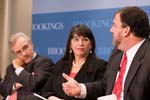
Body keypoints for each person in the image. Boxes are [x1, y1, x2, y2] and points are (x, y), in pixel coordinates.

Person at [62, 6, 150, 100]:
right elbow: (106, 85)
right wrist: (81, 89)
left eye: (114, 25)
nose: (111, 30)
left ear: (126, 31)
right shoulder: (117, 53)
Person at [27, 24, 107, 100]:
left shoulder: (100, 66)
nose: (80, 43)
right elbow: (46, 91)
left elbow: (100, 92)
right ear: (70, 44)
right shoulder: (60, 64)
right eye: (76, 39)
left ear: (91, 45)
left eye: (85, 40)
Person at [0, 32, 54, 100]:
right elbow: (3, 88)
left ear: (31, 43)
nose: (24, 53)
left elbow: (34, 84)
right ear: (14, 54)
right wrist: (14, 86)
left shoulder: (44, 62)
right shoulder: (11, 68)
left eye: (25, 47)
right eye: (18, 52)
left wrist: (18, 69)